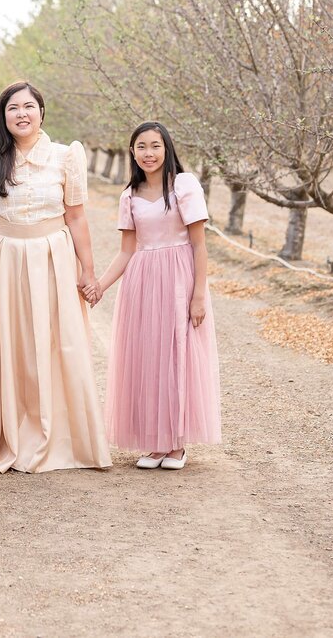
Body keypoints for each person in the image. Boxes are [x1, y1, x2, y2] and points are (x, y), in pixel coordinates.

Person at [0, 81, 111, 474]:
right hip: (1, 257)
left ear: (41, 112)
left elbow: (76, 217)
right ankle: (3, 433)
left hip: (52, 258)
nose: (21, 114)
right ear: (2, 116)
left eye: (29, 106)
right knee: (4, 343)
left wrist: (88, 270)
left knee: (57, 343)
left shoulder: (65, 156)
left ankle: (57, 436)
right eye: (13, 108)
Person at [93, 121, 221, 469]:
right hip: (142, 280)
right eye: (141, 147)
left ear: (167, 149)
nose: (148, 153)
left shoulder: (184, 185)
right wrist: (100, 286)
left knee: (176, 354)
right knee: (148, 358)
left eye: (155, 146)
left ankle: (176, 444)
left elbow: (199, 245)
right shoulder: (129, 195)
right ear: (132, 152)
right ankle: (155, 443)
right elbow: (126, 251)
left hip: (179, 276)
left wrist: (198, 295)